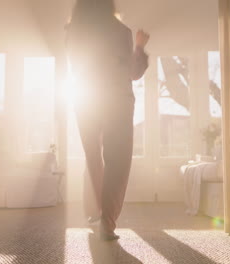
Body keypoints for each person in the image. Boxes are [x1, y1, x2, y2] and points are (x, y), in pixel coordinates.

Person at [65, 0, 150, 240]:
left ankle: (96, 212)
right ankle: (107, 223)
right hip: (116, 102)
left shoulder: (73, 32)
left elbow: (77, 68)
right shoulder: (120, 31)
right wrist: (140, 47)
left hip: (86, 100)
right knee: (118, 161)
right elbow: (132, 73)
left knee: (94, 157)